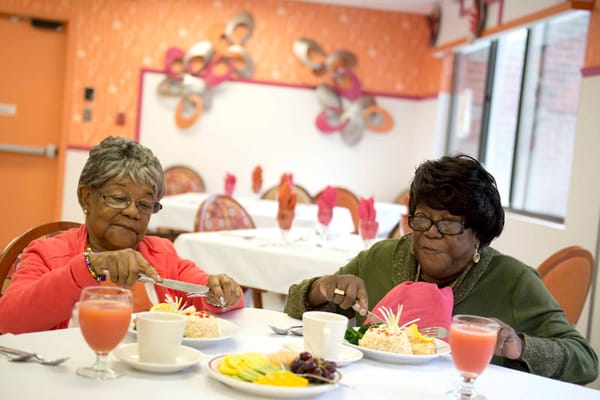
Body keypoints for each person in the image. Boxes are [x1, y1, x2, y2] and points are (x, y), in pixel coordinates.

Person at [284, 154, 598, 384]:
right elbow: (296, 305)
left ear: (478, 233)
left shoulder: (513, 281)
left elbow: (585, 360)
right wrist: (321, 289)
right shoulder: (382, 258)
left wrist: (519, 347)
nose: (431, 232)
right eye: (422, 218)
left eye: (448, 223)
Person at [0, 136, 244, 334]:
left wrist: (222, 293)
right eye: (119, 198)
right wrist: (89, 267)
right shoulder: (47, 253)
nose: (132, 212)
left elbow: (210, 297)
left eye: (145, 205)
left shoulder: (160, 254)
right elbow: (9, 321)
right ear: (87, 198)